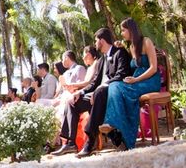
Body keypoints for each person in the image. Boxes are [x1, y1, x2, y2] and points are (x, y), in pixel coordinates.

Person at [52, 27, 132, 157]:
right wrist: (81, 92)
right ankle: (70, 143)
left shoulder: (120, 53)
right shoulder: (101, 60)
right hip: (97, 94)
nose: (95, 44)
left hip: (113, 92)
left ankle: (89, 142)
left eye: (96, 40)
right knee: (72, 101)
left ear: (102, 40)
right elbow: (94, 82)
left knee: (99, 93)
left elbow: (122, 74)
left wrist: (102, 87)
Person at [100, 18, 161, 150]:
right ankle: (119, 130)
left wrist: (136, 80)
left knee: (121, 89)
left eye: (123, 30)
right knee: (114, 85)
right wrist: (122, 48)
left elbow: (153, 68)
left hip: (150, 81)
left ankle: (115, 124)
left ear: (130, 29)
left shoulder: (146, 41)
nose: (121, 33)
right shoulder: (132, 47)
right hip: (136, 81)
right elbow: (133, 64)